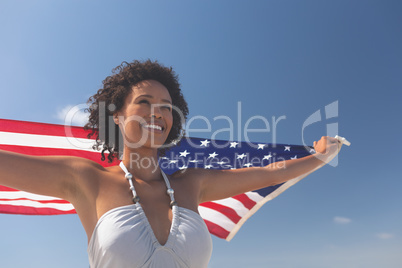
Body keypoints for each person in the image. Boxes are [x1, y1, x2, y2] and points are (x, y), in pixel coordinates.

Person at [0, 59, 342, 268]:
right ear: (116, 116)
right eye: (144, 102)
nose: (157, 113)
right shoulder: (86, 180)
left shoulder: (190, 183)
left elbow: (268, 173)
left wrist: (320, 157)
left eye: (166, 106)